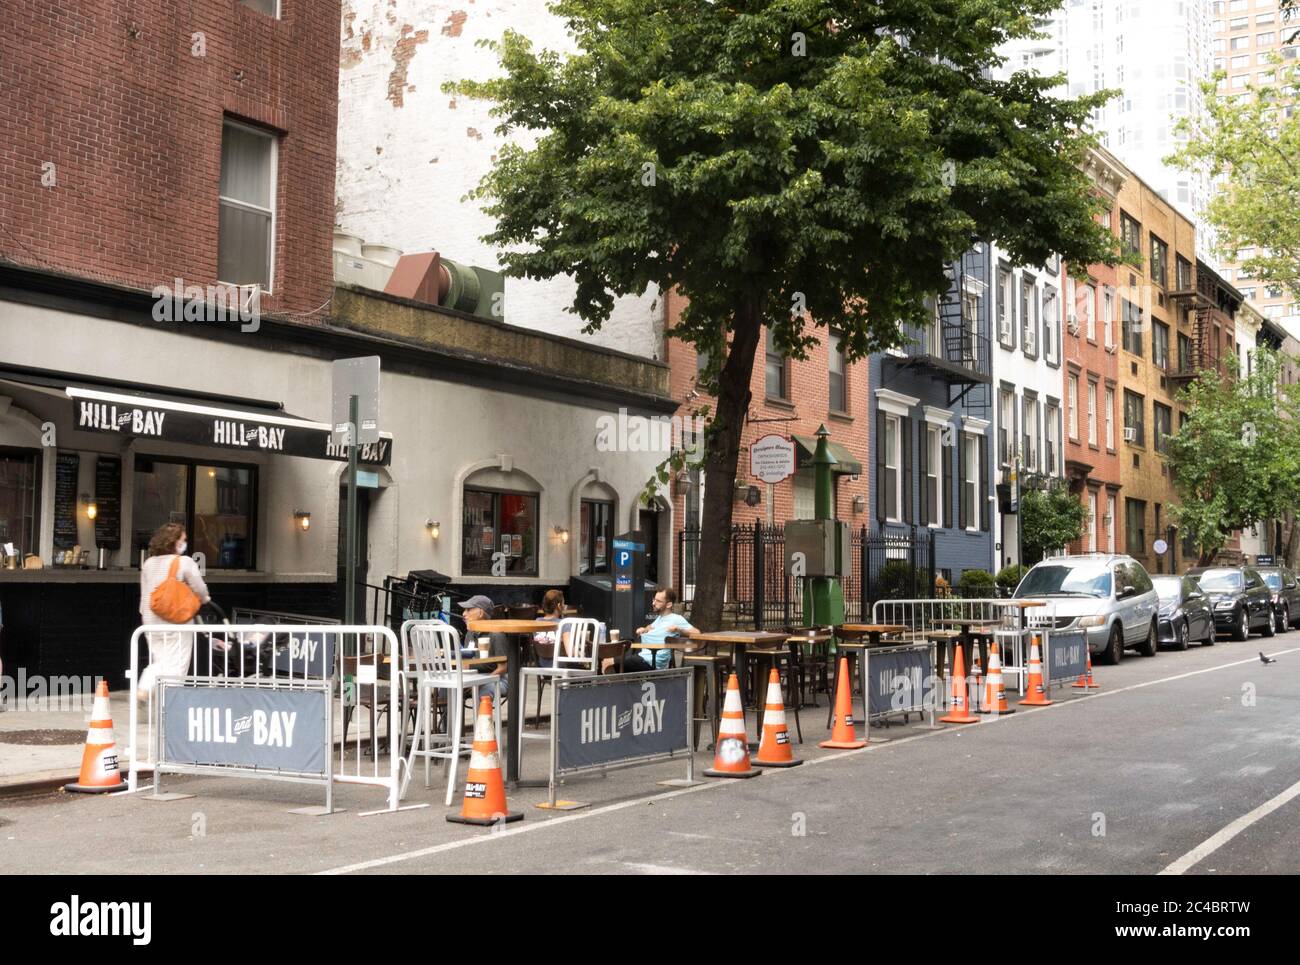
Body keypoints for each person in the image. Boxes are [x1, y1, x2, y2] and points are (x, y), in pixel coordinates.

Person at [137, 522, 211, 701]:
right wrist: (205, 599)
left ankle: (145, 687)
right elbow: (199, 588)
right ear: (174, 542)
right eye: (183, 540)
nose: (184, 544)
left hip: (151, 622)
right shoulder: (184, 562)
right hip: (177, 623)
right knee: (177, 666)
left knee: (160, 662)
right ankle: (170, 706)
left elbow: (144, 594)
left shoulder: (148, 564)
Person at [621, 587, 698, 672]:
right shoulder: (659, 618)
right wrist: (644, 629)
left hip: (652, 662)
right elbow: (650, 627)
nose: (654, 603)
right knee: (610, 663)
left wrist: (679, 630)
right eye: (654, 600)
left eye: (658, 601)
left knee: (611, 663)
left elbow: (697, 633)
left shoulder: (676, 619)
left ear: (669, 604)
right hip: (643, 657)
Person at [457, 594, 510, 697]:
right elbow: (466, 663)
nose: (463, 613)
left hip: (498, 678)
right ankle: (451, 714)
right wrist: (465, 680)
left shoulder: (496, 634)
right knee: (450, 688)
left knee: (485, 690)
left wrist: (480, 682)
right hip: (477, 677)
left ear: (480, 613)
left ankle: (481, 714)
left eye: (468, 610)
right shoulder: (470, 633)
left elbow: (502, 669)